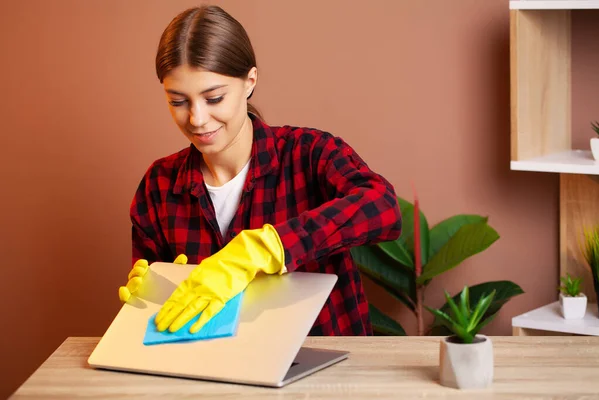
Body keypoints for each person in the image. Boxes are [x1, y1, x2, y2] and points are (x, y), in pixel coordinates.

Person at [118, 5, 402, 336]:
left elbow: (384, 208)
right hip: (215, 374)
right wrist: (151, 296)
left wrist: (268, 247)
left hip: (325, 372)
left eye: (214, 98)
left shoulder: (309, 153)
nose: (196, 118)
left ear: (249, 81)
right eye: (178, 102)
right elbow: (162, 320)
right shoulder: (159, 186)